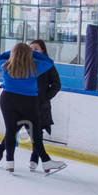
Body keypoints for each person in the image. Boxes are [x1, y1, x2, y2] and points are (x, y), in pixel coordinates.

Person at [0, 41, 66, 175]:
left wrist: (13, 52)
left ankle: (9, 162)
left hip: (8, 100)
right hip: (29, 102)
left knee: (10, 131)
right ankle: (45, 161)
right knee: (35, 133)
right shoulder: (35, 67)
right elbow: (49, 61)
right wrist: (32, 53)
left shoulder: (5, 66)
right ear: (29, 54)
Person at [28, 39, 63, 173]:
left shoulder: (48, 65)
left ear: (43, 50)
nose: (33, 51)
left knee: (37, 131)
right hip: (26, 102)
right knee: (33, 131)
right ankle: (37, 159)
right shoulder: (25, 63)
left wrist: (44, 98)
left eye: (36, 48)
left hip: (41, 104)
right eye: (31, 48)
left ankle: (35, 158)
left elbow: (56, 85)